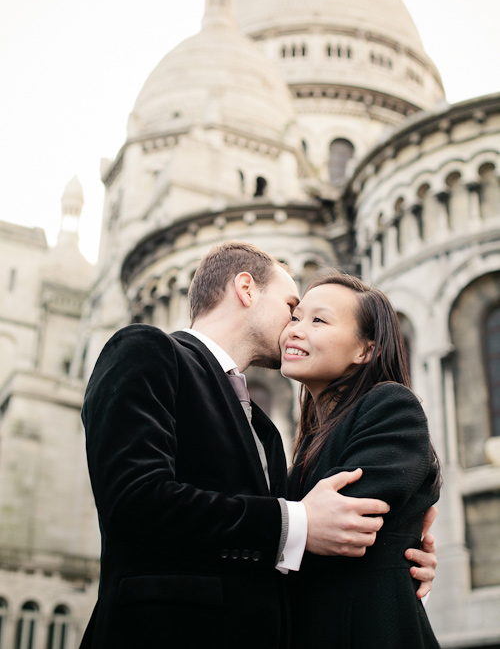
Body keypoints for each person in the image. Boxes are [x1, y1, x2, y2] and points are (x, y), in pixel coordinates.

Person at [80, 242, 437, 649]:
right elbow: (135, 499)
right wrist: (297, 524)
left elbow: (314, 533)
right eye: (292, 307)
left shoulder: (264, 428)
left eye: (314, 318)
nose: (293, 326)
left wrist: (399, 549)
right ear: (246, 289)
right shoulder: (148, 350)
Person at [281, 269, 442, 648]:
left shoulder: (390, 405)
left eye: (318, 320)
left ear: (366, 350)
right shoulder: (310, 441)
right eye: (295, 317)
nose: (295, 329)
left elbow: (344, 527)